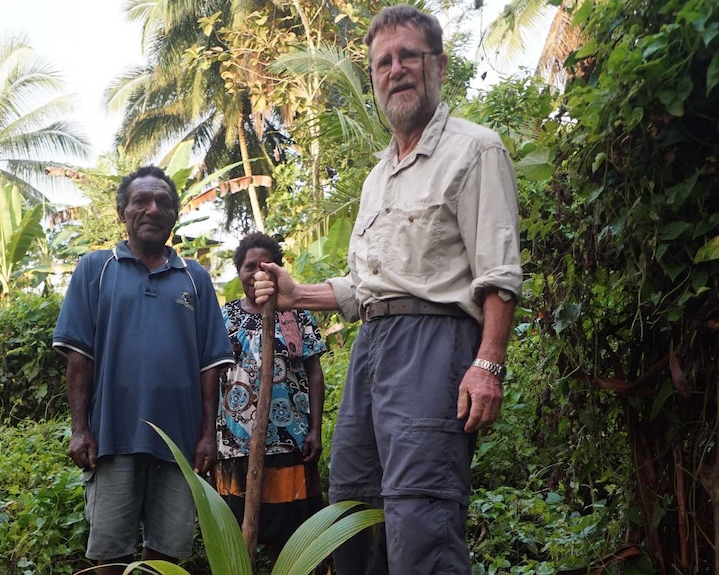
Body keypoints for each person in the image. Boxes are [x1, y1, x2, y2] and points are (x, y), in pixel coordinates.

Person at [252, 5, 522, 575]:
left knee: (420, 518)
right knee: (350, 512)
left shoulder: (475, 150)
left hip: (434, 347)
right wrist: (295, 294)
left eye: (408, 56)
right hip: (369, 354)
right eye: (382, 62)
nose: (395, 69)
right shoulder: (378, 177)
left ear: (438, 67)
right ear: (373, 78)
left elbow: (497, 272)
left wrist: (488, 364)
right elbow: (365, 287)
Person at [52, 165, 234, 575]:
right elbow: (79, 357)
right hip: (112, 436)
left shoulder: (196, 279)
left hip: (180, 444)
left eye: (164, 203)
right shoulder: (95, 270)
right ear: (123, 212)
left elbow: (210, 366)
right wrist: (80, 428)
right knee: (109, 553)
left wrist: (207, 435)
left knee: (165, 557)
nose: (153, 209)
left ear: (174, 215)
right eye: (141, 201)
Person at [212, 231, 328, 562]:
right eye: (250, 266)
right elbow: (207, 377)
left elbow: (314, 373)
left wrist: (315, 430)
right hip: (234, 445)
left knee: (290, 534)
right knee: (237, 533)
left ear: (278, 268)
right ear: (239, 272)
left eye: (267, 264)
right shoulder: (224, 317)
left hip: (289, 441)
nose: (259, 272)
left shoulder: (297, 315)